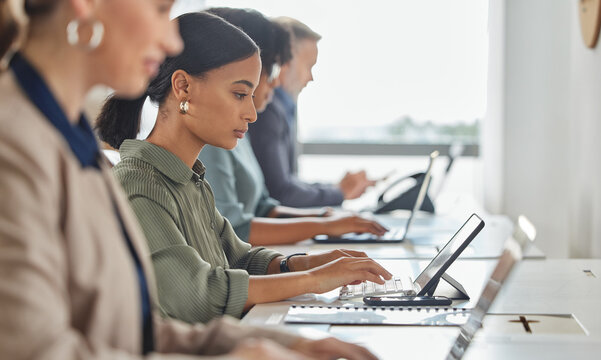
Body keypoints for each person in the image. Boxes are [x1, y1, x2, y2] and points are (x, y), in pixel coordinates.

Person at [0, 1, 377, 359]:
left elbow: (139, 333)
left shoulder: (73, 148)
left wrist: (283, 343)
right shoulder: (14, 147)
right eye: (161, 9)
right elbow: (37, 353)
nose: (171, 41)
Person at [96, 11, 392, 326]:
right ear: (183, 87)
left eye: (251, 95)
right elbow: (199, 297)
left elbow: (239, 259)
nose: (251, 113)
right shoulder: (140, 185)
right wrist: (314, 279)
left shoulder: (190, 178)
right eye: (239, 94)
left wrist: (313, 262)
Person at [197, 7, 387, 245]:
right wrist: (322, 226)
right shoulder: (213, 139)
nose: (275, 81)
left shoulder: (238, 130)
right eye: (274, 67)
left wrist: (325, 218)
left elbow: (264, 207)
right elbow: (233, 229)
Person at [248, 17, 376, 208]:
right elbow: (281, 191)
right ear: (285, 61)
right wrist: (338, 192)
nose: (311, 77)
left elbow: (288, 181)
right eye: (309, 66)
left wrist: (335, 188)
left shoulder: (284, 107)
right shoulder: (266, 110)